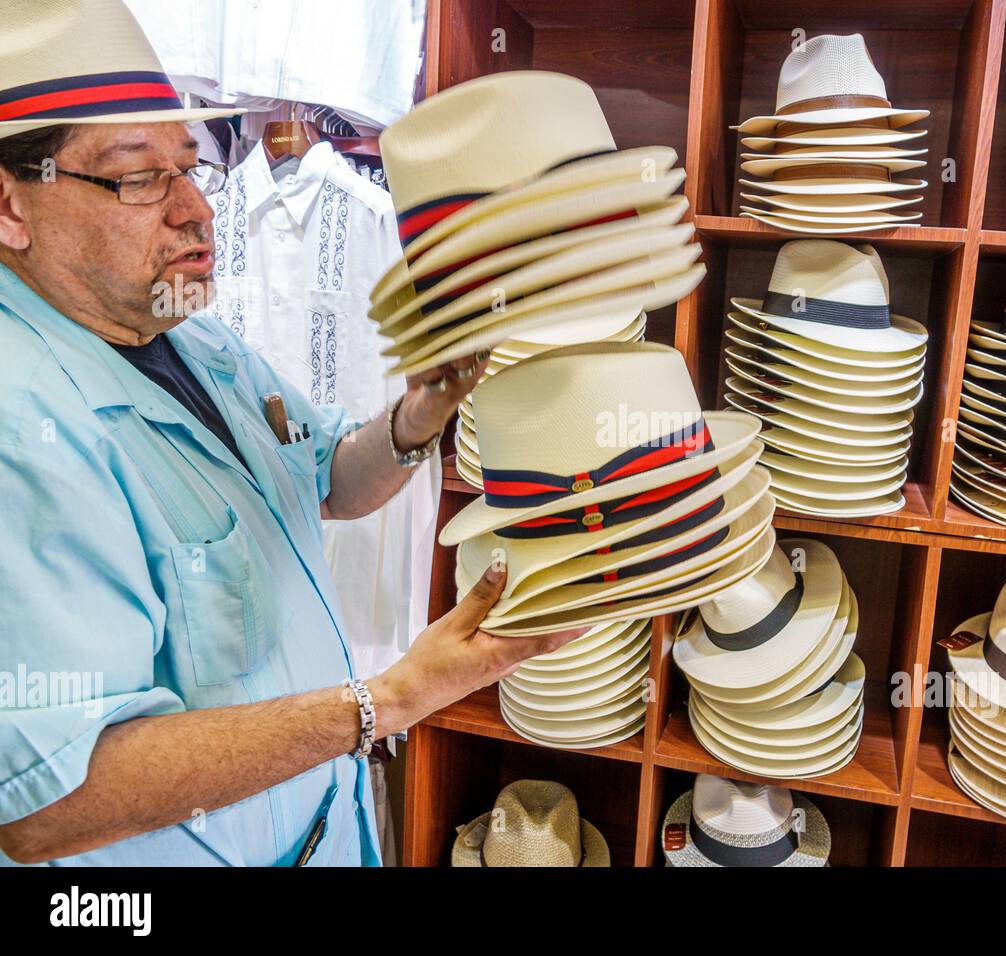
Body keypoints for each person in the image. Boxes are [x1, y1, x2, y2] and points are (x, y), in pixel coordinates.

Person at [0, 0, 583, 866]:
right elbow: (56, 800)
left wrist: (417, 415)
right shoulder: (24, 433)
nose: (197, 208)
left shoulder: (188, 334)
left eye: (191, 167)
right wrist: (388, 700)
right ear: (11, 208)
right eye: (137, 176)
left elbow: (323, 478)